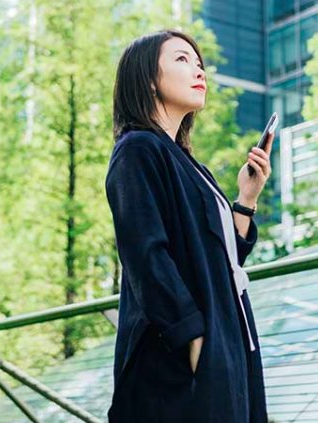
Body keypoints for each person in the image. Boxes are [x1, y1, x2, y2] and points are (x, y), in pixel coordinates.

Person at [105, 29, 272, 422]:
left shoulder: (190, 165)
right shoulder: (137, 150)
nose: (198, 70)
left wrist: (245, 199)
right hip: (181, 352)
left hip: (226, 336)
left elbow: (222, 256)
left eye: (199, 63)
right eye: (182, 59)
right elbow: (146, 255)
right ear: (148, 78)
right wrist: (192, 339)